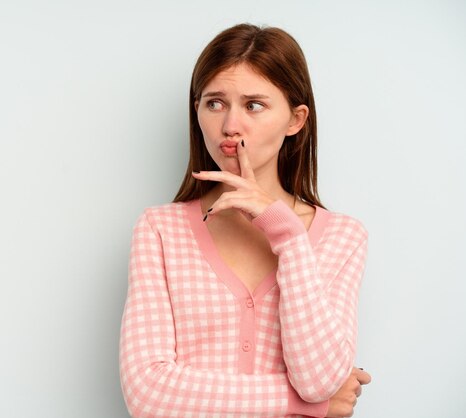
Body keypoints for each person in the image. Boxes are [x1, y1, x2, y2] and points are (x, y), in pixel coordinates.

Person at [119, 23, 372, 417]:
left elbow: (318, 379)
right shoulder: (160, 230)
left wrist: (286, 232)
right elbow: (149, 395)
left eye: (254, 105)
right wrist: (305, 404)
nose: (230, 126)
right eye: (214, 103)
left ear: (296, 119)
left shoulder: (342, 237)